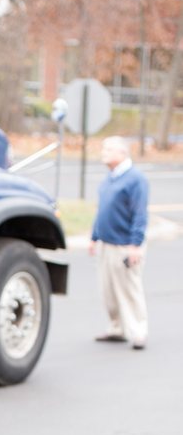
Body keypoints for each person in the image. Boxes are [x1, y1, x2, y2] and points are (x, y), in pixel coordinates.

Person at [89, 136, 149, 350]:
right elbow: (102, 210)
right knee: (109, 291)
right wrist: (94, 237)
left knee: (129, 290)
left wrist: (135, 245)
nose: (104, 152)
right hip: (106, 242)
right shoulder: (110, 178)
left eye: (109, 149)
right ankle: (117, 328)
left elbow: (140, 214)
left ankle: (138, 330)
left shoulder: (135, 179)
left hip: (124, 244)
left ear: (122, 153)